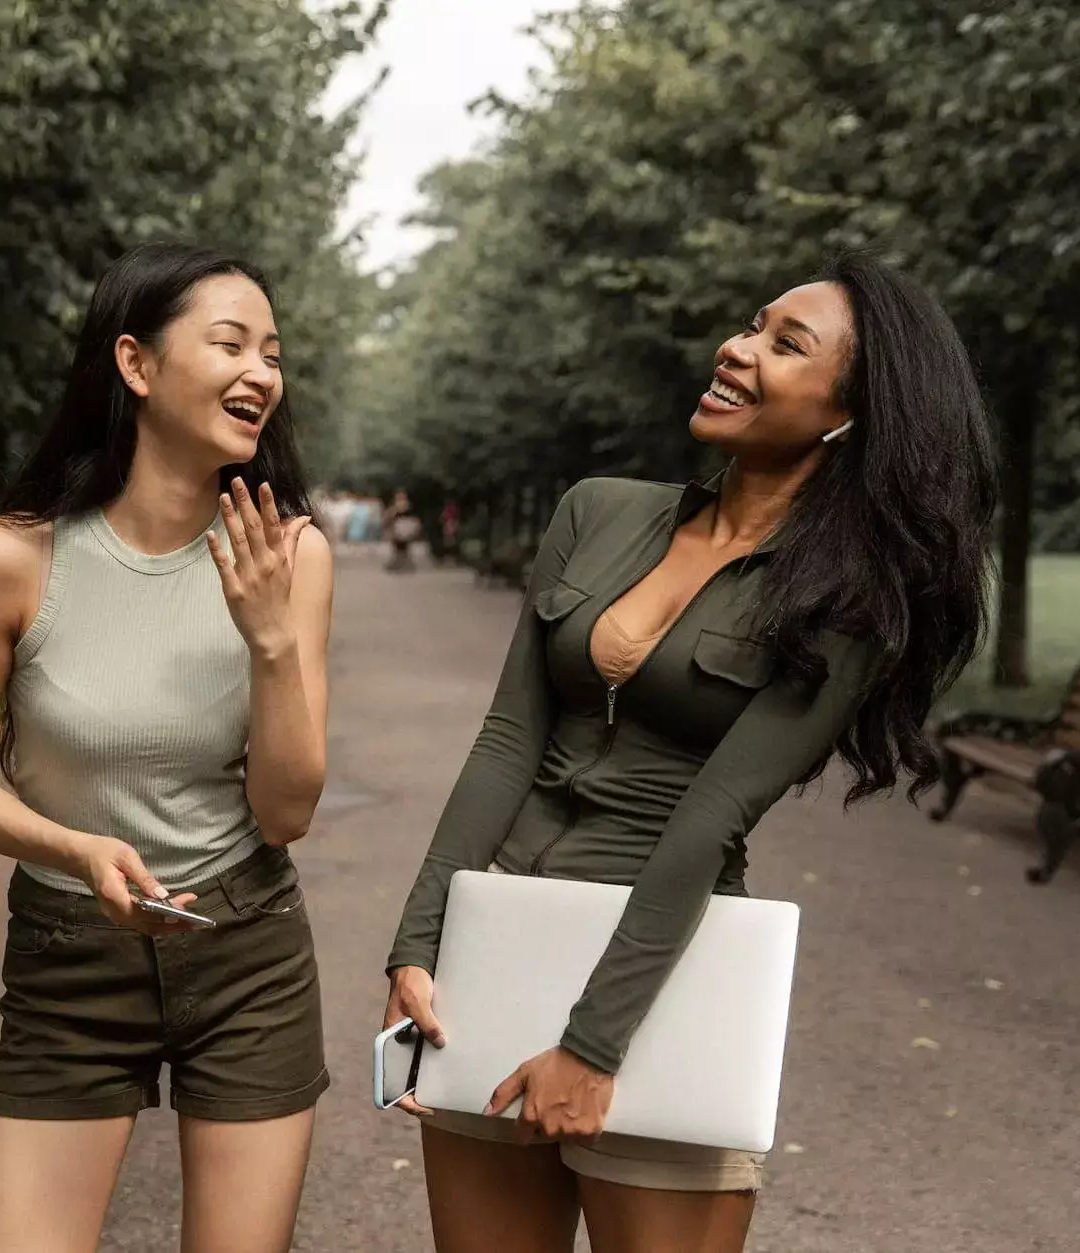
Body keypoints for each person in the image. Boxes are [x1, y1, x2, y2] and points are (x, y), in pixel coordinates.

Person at [381, 253, 997, 1253]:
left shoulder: (848, 595)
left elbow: (713, 814)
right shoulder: (595, 509)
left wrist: (590, 1044)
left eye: (782, 343)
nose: (736, 346)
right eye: (750, 324)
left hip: (665, 983)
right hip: (501, 949)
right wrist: (417, 942)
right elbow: (506, 739)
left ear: (849, 412)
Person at [0, 242, 335, 1253]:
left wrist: (272, 640)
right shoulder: (9, 557)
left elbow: (285, 813)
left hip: (245, 950)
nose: (260, 373)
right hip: (69, 953)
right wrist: (76, 849)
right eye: (229, 343)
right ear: (136, 365)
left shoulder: (292, 554)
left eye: (271, 353)